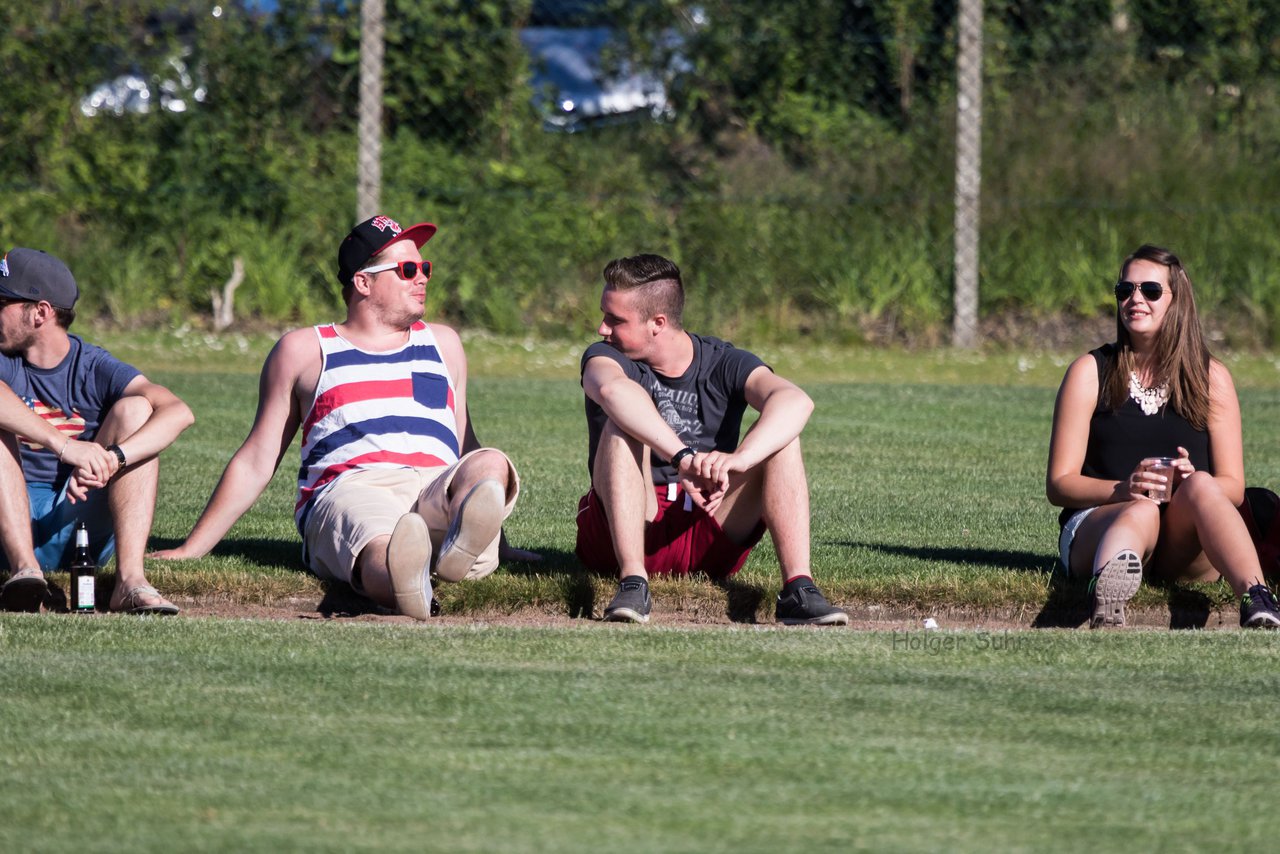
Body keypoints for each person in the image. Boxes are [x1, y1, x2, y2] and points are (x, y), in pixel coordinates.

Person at [152, 215, 522, 620]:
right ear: (363, 282)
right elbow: (258, 458)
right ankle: (405, 581)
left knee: (491, 461)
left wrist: (498, 535)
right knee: (380, 541)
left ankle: (447, 556)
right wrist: (193, 548)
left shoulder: (444, 343)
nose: (423, 278)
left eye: (425, 268)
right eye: (408, 269)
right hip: (353, 489)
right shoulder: (305, 350)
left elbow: (465, 444)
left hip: (435, 491)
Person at [576, 253, 848, 625]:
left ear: (658, 323)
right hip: (627, 527)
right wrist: (683, 457)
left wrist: (741, 459)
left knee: (782, 439)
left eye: (615, 319)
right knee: (621, 425)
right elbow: (612, 392)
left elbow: (795, 400)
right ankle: (632, 583)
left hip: (706, 523)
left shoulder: (723, 360)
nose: (602, 329)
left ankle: (799, 590)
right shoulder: (605, 357)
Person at [1047, 243, 1280, 629]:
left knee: (1205, 484)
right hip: (1101, 524)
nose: (1134, 299)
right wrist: (1123, 489)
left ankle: (1257, 598)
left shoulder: (1211, 377)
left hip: (1181, 538)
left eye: (1150, 290)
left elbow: (1234, 488)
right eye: (1125, 290)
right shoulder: (1089, 371)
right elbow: (1059, 484)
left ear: (1177, 301)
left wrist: (1187, 482)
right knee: (1139, 508)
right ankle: (1106, 596)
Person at [0, 248, 193, 614]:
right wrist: (64, 446)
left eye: (2, 301)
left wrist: (111, 459)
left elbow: (179, 412)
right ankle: (25, 572)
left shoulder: (94, 366)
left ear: (39, 312)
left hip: (77, 521)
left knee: (137, 410)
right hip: (8, 520)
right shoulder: (5, 361)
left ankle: (131, 582)